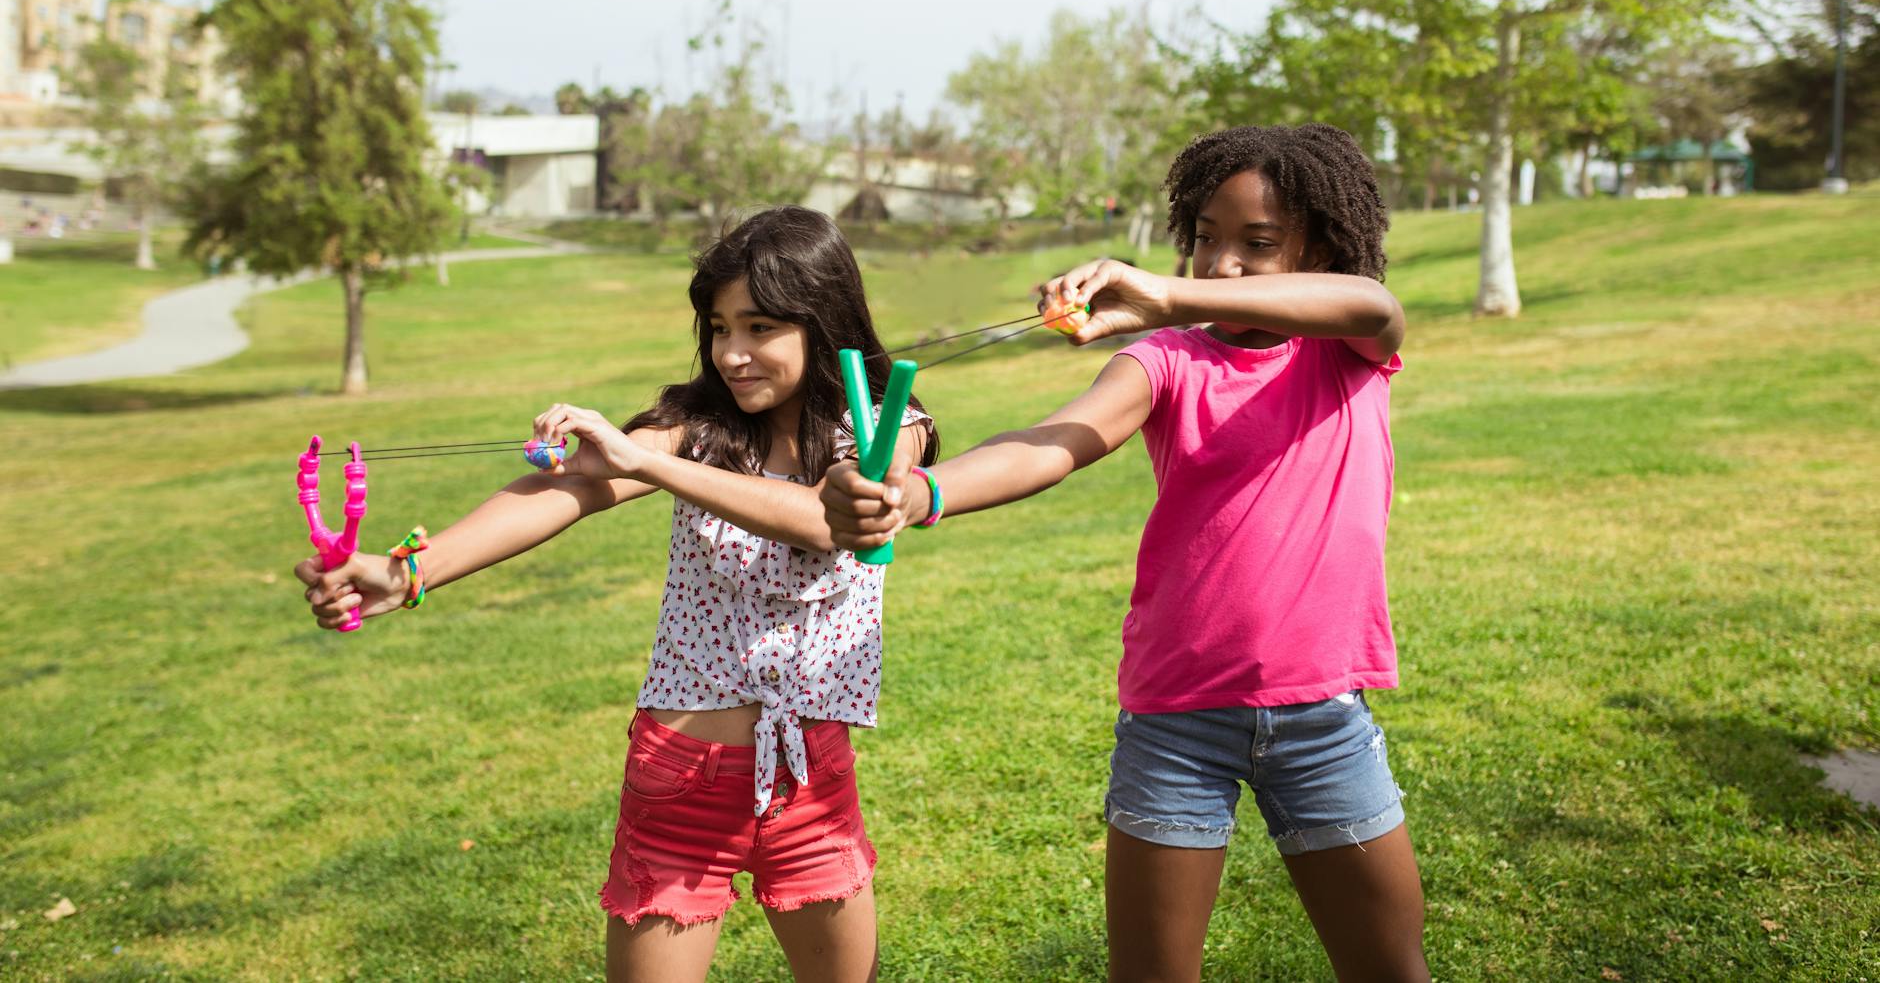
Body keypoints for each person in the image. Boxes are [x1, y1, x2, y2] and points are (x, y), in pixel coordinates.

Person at [822, 125, 1429, 982]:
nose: (1220, 265)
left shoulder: (1346, 349)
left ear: (1319, 246)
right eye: (1205, 239)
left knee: (1390, 967)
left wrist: (1165, 291)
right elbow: (1052, 442)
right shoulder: (1168, 360)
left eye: (1256, 245)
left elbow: (1375, 306)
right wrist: (921, 493)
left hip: (1323, 718)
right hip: (1178, 722)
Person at [296, 206, 936, 983]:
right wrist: (408, 571)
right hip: (680, 778)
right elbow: (565, 489)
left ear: (821, 317)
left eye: (759, 326)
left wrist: (647, 462)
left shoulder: (882, 427)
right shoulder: (695, 427)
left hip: (810, 776)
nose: (732, 353)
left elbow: (823, 517)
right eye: (719, 327)